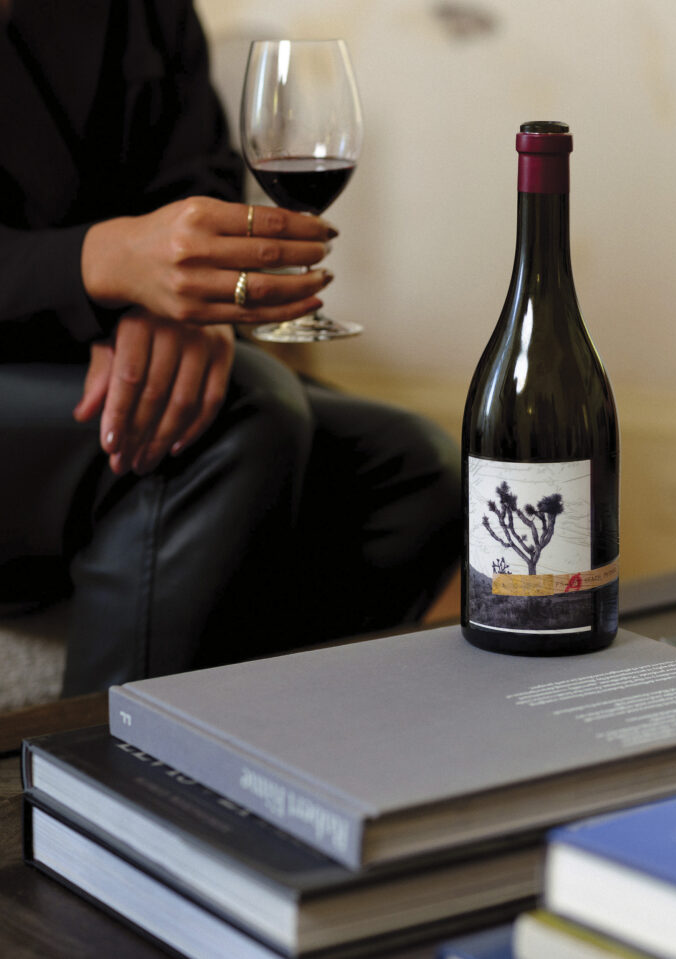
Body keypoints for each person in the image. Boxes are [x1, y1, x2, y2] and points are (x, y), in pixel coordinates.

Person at [0, 0, 460, 695]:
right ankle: (107, 787)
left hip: (84, 349)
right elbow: (114, 255)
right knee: (239, 415)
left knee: (413, 466)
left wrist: (190, 304)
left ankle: (274, 765)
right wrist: (101, 263)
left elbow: (196, 172)